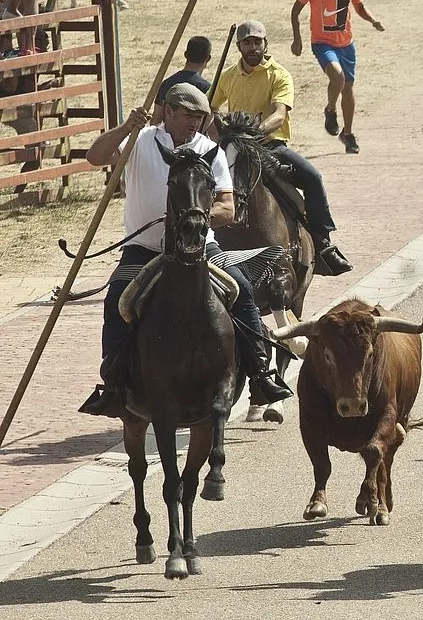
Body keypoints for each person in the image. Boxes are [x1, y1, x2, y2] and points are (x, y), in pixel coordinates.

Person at [79, 83, 293, 417]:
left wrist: (192, 218)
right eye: (188, 115)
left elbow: (227, 208)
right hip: (144, 249)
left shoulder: (211, 151)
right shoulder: (140, 140)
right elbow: (94, 157)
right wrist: (125, 128)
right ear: (168, 111)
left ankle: (261, 374)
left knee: (242, 290)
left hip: (200, 248)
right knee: (117, 299)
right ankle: (114, 385)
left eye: (200, 117)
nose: (195, 122)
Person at [211, 19, 352, 276]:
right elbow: (209, 108)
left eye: (257, 42)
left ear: (265, 44)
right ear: (238, 46)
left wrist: (254, 133)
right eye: (247, 43)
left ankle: (322, 242)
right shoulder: (227, 76)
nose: (252, 48)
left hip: (270, 147)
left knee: (313, 177)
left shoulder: (279, 74)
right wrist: (220, 131)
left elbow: (279, 115)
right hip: (234, 150)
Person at [290, 0, 384, 155]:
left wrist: (373, 20)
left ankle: (348, 134)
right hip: (322, 43)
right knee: (338, 77)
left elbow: (359, 6)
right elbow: (295, 11)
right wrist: (297, 39)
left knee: (348, 87)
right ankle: (330, 110)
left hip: (346, 44)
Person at [152, 35, 212, 126]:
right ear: (208, 58)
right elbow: (209, 122)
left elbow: (156, 120)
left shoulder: (167, 83)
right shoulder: (207, 88)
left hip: (166, 134)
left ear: (185, 55)